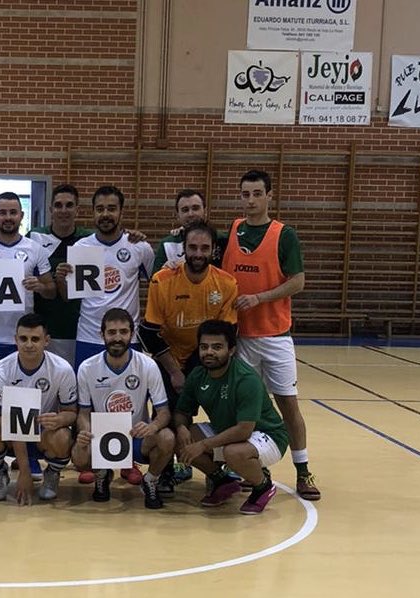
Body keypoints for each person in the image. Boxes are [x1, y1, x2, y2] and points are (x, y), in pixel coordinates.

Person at [221, 169, 320, 500]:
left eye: (256, 194)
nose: (250, 200)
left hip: (275, 336)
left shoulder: (284, 234)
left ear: (269, 196)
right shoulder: (234, 230)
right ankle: (252, 467)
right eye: (245, 194)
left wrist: (260, 297)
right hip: (242, 338)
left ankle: (303, 471)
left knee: (288, 406)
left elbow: (299, 281)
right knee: (248, 410)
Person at [173, 319, 289, 515]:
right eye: (204, 347)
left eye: (217, 347)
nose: (209, 352)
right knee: (182, 438)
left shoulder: (246, 379)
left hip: (268, 435)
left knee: (233, 452)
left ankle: (263, 486)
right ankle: (222, 481)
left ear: (232, 350)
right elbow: (182, 412)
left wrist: (203, 445)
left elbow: (244, 429)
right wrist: (182, 428)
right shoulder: (198, 374)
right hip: (228, 431)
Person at [71, 309, 175, 508]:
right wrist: (85, 430)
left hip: (136, 436)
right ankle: (102, 474)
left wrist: (152, 427)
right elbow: (83, 413)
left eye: (123, 332)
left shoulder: (148, 365)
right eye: (111, 332)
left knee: (167, 437)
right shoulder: (87, 368)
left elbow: (164, 412)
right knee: (78, 454)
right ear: (102, 335)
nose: (117, 338)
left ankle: (150, 480)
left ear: (132, 334)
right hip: (102, 437)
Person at [0, 191, 55, 416]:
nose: (8, 217)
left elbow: (52, 292)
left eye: (13, 212)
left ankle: (24, 449)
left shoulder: (35, 249)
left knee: (25, 400)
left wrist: (40, 287)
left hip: (25, 338)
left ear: (21, 215)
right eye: (2, 212)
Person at [0, 313, 77, 504]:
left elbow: (71, 413)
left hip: (44, 431)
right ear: (15, 340)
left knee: (63, 435)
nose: (29, 344)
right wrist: (25, 471)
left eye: (35, 339)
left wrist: (59, 419)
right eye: (23, 339)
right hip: (12, 431)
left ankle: (52, 474)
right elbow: (11, 421)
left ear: (46, 341)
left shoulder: (62, 369)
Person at [56, 186, 155, 370]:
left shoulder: (140, 247)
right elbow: (68, 297)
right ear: (93, 212)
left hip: (126, 337)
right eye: (100, 209)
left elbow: (156, 287)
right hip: (89, 336)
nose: (105, 214)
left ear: (121, 212)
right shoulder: (81, 247)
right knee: (86, 396)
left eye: (111, 208)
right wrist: (61, 280)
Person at [140, 221, 238, 401]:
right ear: (183, 248)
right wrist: (175, 372)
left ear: (214, 249)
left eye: (205, 248)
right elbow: (149, 334)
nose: (198, 254)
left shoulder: (227, 283)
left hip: (204, 357)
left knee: (227, 410)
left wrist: (201, 367)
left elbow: (227, 334)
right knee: (167, 419)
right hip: (169, 357)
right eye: (192, 247)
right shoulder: (162, 280)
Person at [27, 184, 93, 361]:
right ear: (50, 209)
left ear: (77, 209)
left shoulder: (90, 240)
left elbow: (116, 239)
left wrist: (132, 235)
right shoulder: (34, 237)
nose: (63, 210)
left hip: (81, 328)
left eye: (69, 205)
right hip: (43, 327)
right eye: (58, 205)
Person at [151, 189, 216, 276]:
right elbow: (155, 281)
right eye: (185, 210)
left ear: (205, 211)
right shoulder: (167, 244)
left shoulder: (221, 239)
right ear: (177, 215)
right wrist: (164, 273)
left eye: (195, 208)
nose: (191, 214)